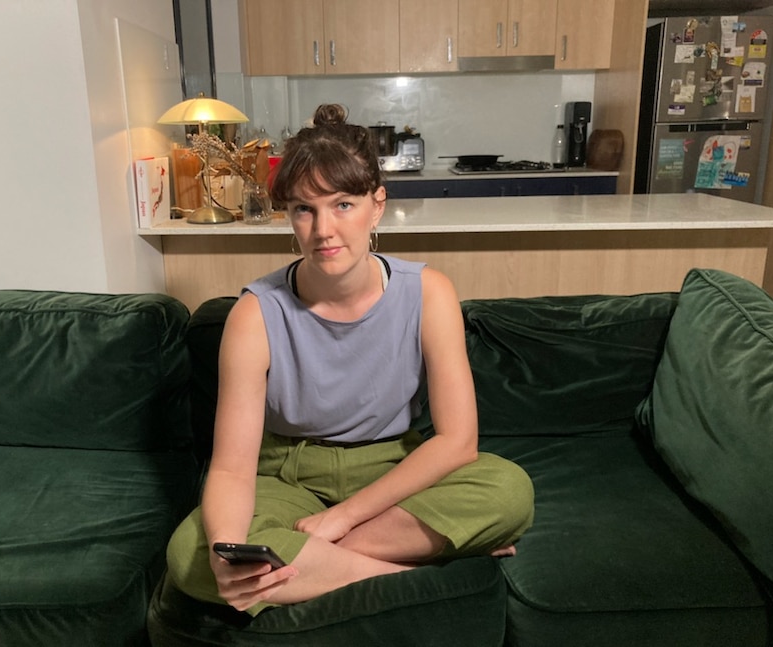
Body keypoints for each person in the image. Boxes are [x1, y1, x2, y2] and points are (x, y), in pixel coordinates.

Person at [166, 104, 534, 615]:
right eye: (303, 209)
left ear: (377, 206)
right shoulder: (254, 314)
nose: (323, 230)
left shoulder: (430, 292)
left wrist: (340, 521)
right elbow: (230, 469)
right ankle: (402, 575)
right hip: (286, 475)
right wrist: (226, 551)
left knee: (509, 491)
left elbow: (456, 442)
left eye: (342, 204)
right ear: (288, 215)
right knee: (191, 555)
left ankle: (311, 566)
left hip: (392, 466)